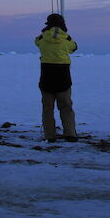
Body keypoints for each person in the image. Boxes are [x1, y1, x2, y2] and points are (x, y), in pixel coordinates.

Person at [34, 13, 78, 142]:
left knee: (47, 108)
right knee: (66, 106)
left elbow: (36, 42)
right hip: (63, 77)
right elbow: (74, 47)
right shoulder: (66, 38)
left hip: (46, 76)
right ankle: (70, 133)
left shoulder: (42, 37)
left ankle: (50, 135)